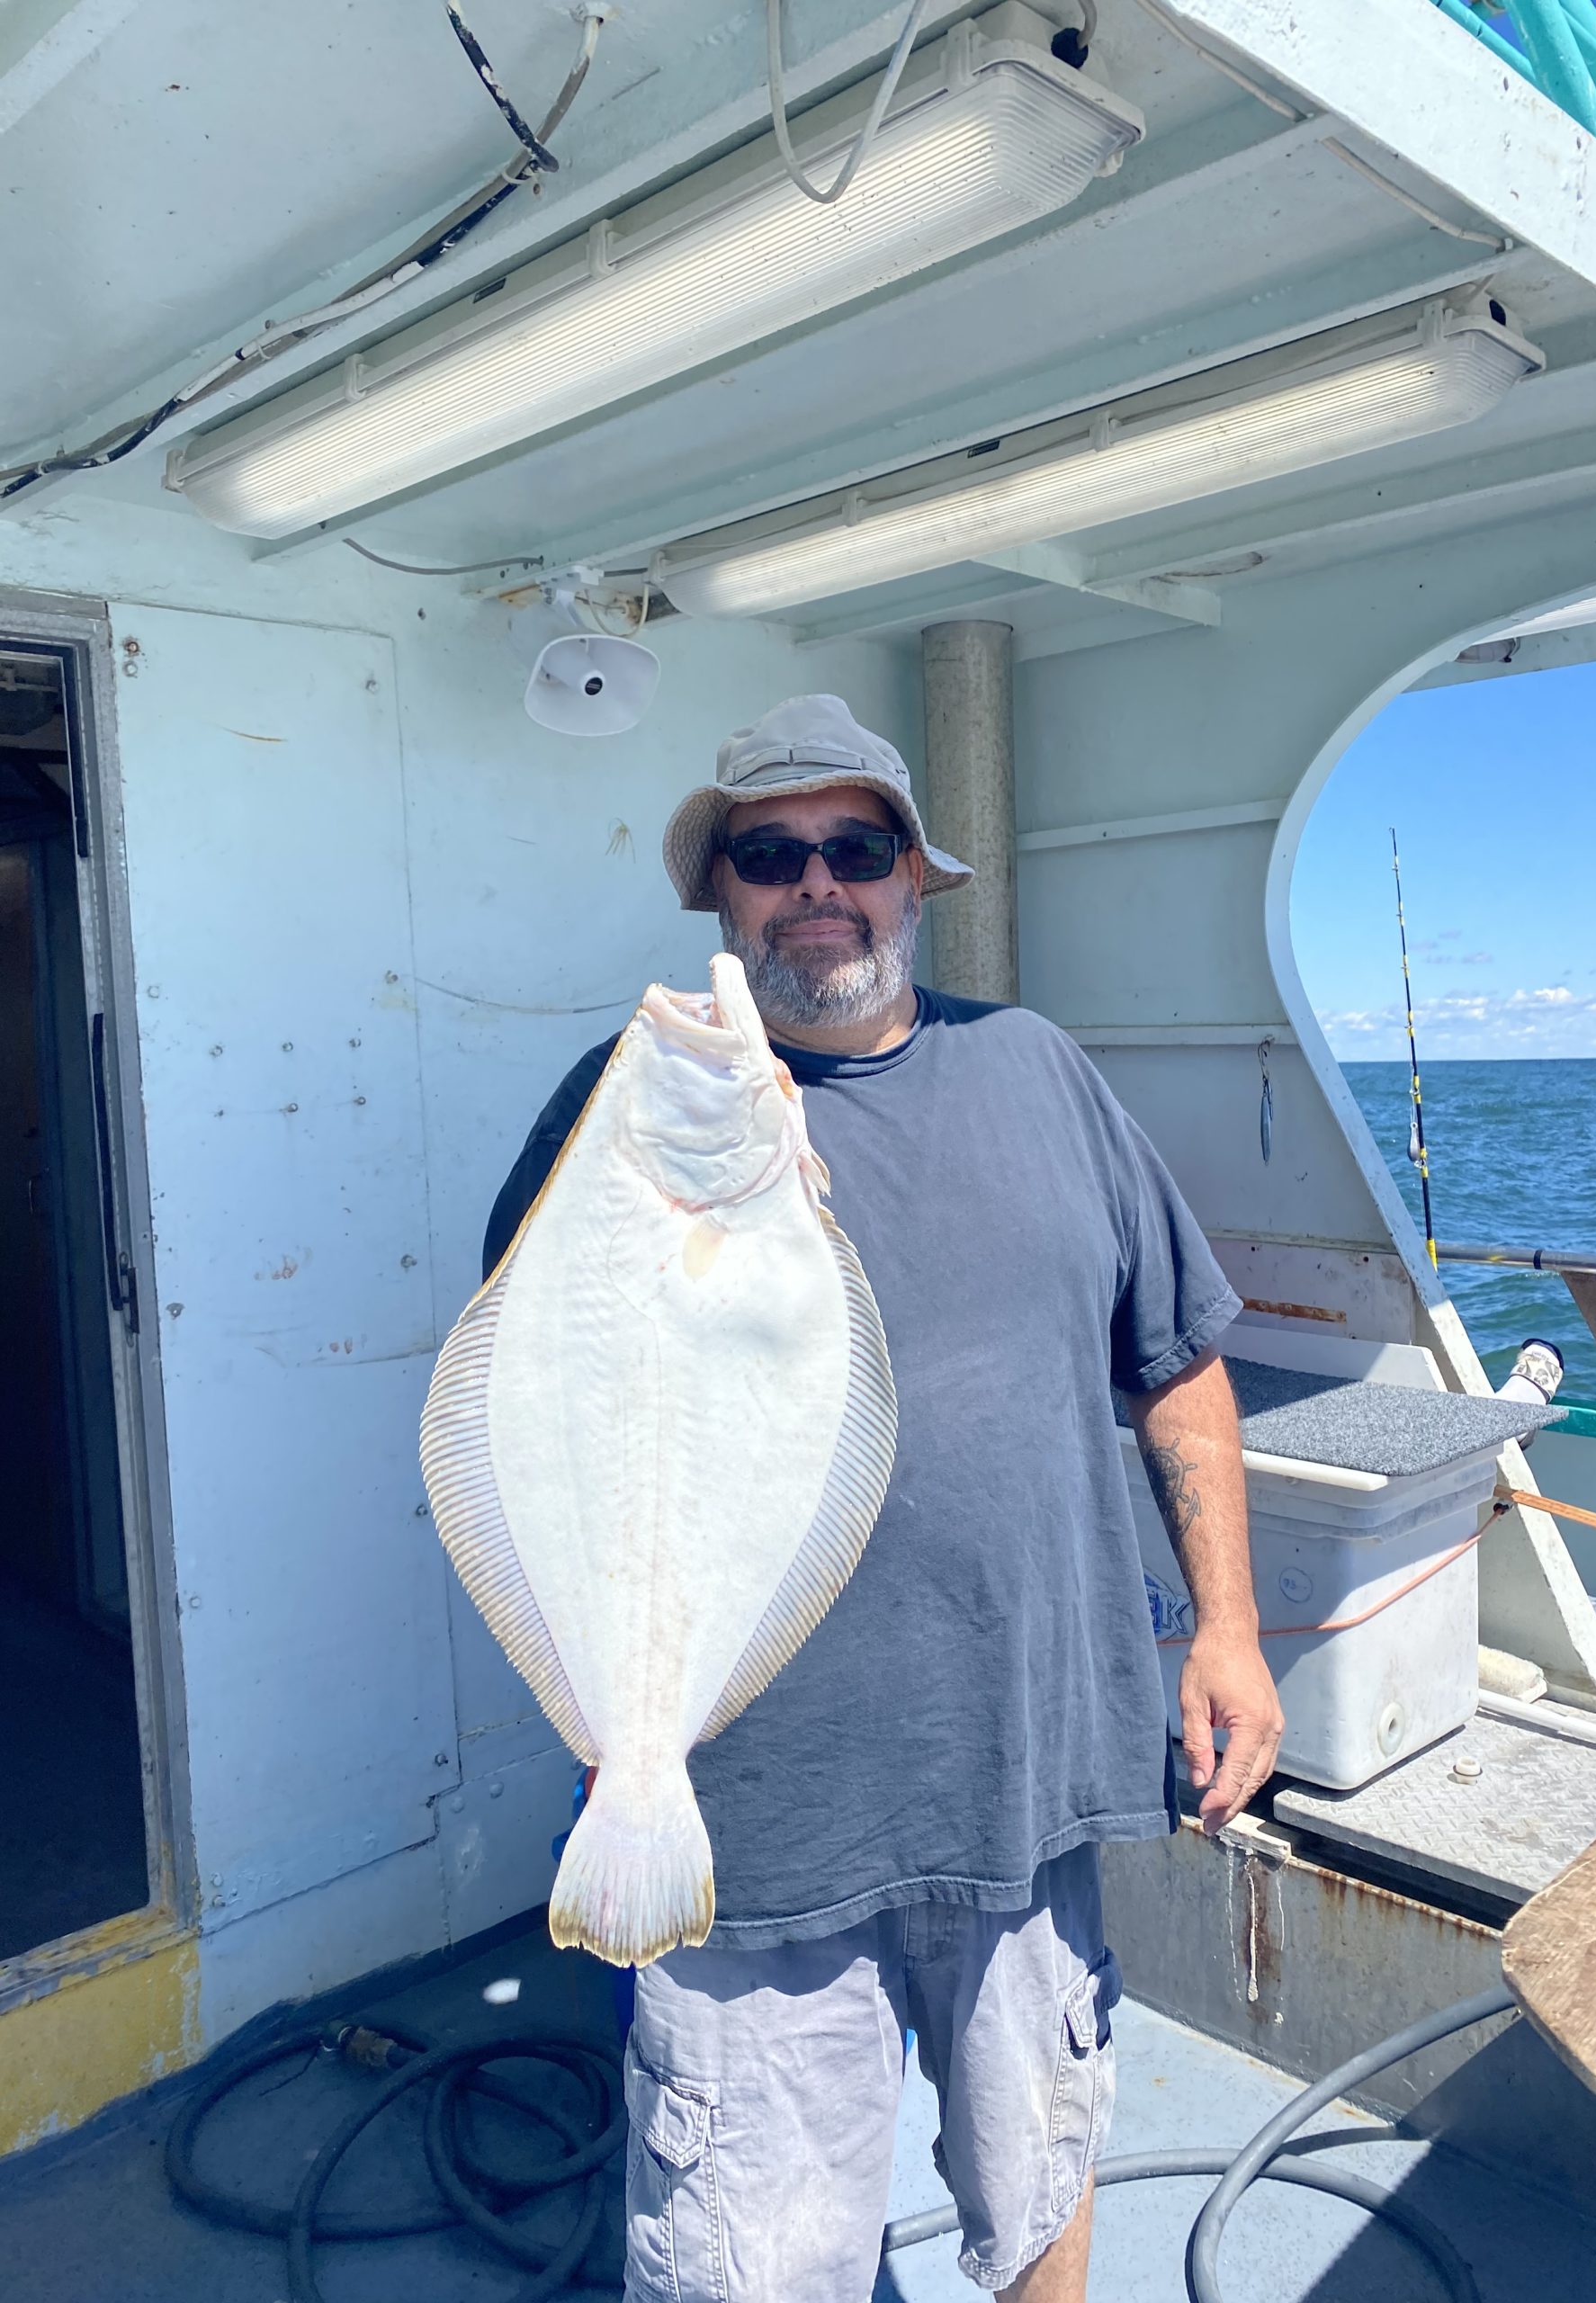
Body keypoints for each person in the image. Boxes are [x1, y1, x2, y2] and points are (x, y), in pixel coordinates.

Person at [483, 694, 1284, 2302]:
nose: (817, 885)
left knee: (1043, 2173)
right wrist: (598, 1702)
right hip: (751, 1814)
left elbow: (1178, 1362)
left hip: (1027, 1764)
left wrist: (1229, 1631)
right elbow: (529, 1428)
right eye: (771, 855)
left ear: (917, 878)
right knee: (748, 2263)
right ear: (720, 894)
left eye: (857, 847)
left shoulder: (1040, 1070)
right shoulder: (620, 1106)